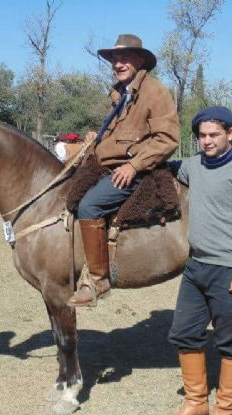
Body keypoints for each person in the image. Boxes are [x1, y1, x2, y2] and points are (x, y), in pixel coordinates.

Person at [162, 106, 232, 415]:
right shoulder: (195, 165)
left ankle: (225, 409)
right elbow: (165, 166)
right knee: (184, 333)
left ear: (230, 134)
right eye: (202, 136)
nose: (206, 141)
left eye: (213, 135)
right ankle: (196, 402)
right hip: (197, 266)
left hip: (231, 268)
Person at [68, 33, 179, 306]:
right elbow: (122, 137)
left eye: (125, 57)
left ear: (139, 60)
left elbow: (167, 138)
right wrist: (98, 141)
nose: (118, 63)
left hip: (134, 170)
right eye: (115, 59)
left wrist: (134, 165)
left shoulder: (154, 91)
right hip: (109, 165)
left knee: (89, 207)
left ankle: (97, 280)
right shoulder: (120, 93)